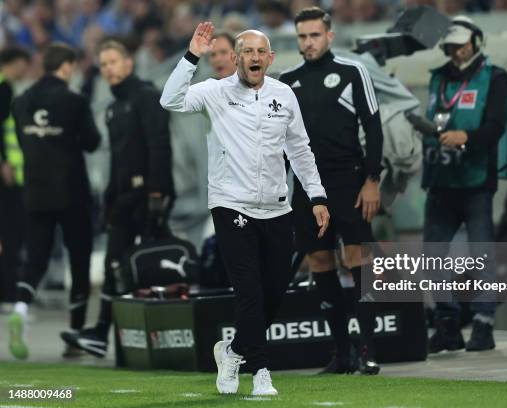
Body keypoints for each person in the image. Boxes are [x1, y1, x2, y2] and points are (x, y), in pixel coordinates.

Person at [160, 23, 329, 396]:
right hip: (231, 204)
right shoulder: (215, 92)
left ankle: (233, 351)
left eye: (260, 52)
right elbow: (169, 100)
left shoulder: (283, 95)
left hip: (276, 208)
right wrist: (191, 56)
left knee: (273, 293)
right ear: (235, 58)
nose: (254, 57)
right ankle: (261, 370)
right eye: (246, 51)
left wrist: (317, 196)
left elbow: (299, 149)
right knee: (250, 293)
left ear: (270, 58)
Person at [279, 7, 383, 375]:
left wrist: (372, 180)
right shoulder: (286, 81)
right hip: (307, 186)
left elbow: (373, 128)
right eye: (302, 37)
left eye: (314, 35)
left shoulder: (353, 72)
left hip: (348, 181)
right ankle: (341, 353)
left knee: (357, 259)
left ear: (329, 36)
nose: (308, 42)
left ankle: (368, 350)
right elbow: (279, 141)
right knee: (320, 261)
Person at [61, 39, 175, 358]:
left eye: (113, 62)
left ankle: (158, 334)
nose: (108, 69)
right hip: (124, 200)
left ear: (129, 63)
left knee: (152, 268)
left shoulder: (148, 96)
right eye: (103, 64)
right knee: (118, 266)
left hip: (147, 196)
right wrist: (109, 201)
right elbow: (117, 161)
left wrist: (157, 192)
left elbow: (159, 146)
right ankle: (105, 333)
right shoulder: (113, 108)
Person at [422, 16, 507, 353]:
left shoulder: (495, 77)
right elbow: (435, 116)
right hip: (442, 178)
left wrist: (466, 137)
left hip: (476, 178)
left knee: (480, 254)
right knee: (433, 255)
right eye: (450, 45)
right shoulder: (438, 77)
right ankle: (446, 322)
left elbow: (496, 126)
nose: (456, 51)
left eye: (461, 44)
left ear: (476, 41)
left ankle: (483, 322)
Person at [8, 43, 100, 360]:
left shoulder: (20, 102)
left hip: (35, 191)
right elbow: (92, 142)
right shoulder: (74, 101)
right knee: (79, 259)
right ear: (67, 66)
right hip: (72, 191)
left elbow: (22, 139)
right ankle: (74, 336)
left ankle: (20, 307)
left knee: (35, 258)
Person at [0, 46, 30, 311]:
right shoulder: (4, 88)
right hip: (8, 176)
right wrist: (4, 163)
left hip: (10, 172)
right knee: (11, 235)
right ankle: (8, 294)